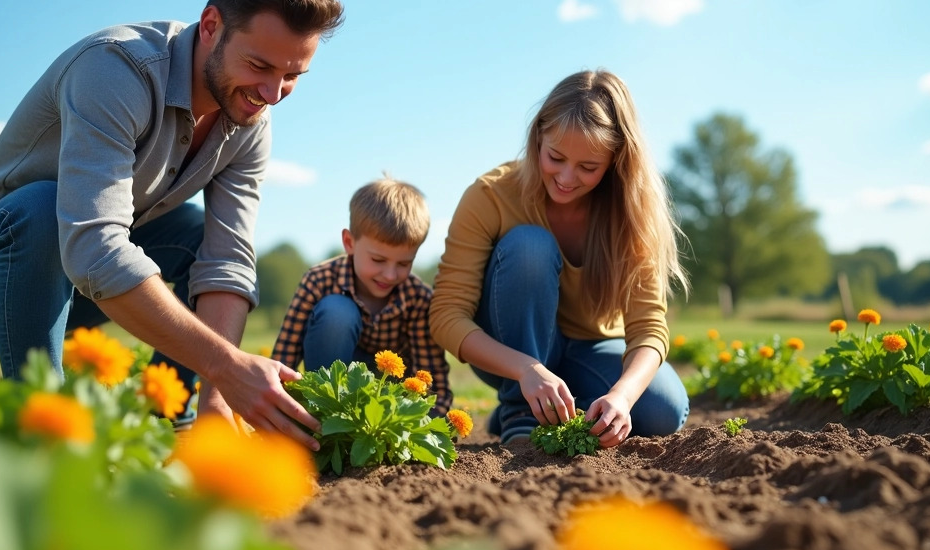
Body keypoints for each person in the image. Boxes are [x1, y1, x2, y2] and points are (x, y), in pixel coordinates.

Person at [0, 0, 343, 447]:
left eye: (292, 76)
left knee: (190, 233)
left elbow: (226, 259)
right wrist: (227, 365)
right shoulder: (116, 70)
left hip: (77, 281)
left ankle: (171, 427)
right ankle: (40, 434)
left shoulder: (249, 117)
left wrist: (217, 396)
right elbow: (93, 244)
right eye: (259, 65)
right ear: (210, 26)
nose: (272, 93)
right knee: (42, 207)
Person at [429, 69, 690, 447]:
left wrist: (622, 397)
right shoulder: (490, 195)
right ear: (538, 137)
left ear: (616, 161)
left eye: (588, 168)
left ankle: (560, 407)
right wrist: (527, 369)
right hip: (513, 351)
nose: (567, 178)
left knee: (663, 410)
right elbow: (447, 315)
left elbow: (649, 327)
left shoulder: (631, 212)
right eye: (556, 157)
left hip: (591, 348)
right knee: (530, 246)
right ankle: (521, 410)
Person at [272, 177, 452, 414]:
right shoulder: (318, 280)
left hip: (388, 403)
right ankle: (324, 416)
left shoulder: (418, 298)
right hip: (332, 386)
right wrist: (278, 410)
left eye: (404, 263)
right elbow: (284, 358)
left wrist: (427, 426)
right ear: (349, 242)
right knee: (337, 313)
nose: (389, 274)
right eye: (378, 260)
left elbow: (432, 380)